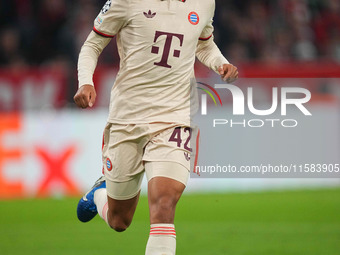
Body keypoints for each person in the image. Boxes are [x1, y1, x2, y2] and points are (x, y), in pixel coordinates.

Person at [74, 0, 238, 254]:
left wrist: (220, 63)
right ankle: (99, 194)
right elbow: (92, 44)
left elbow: (203, 42)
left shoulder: (204, 3)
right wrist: (86, 82)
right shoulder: (125, 2)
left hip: (175, 116)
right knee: (120, 221)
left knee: (164, 204)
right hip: (127, 118)